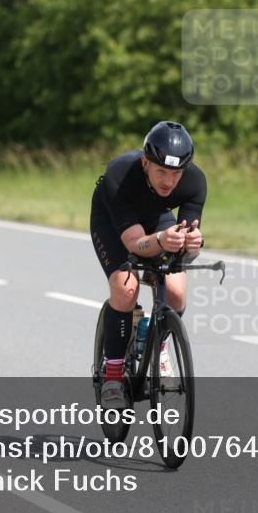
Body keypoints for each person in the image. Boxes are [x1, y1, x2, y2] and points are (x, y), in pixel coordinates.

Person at [91, 121, 206, 409]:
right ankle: (114, 374)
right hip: (114, 220)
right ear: (146, 163)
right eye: (161, 172)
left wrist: (192, 242)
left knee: (176, 290)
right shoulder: (120, 173)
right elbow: (134, 245)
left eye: (176, 173)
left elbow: (185, 237)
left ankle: (160, 349)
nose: (169, 181)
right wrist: (162, 241)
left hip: (156, 219)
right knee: (126, 288)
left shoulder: (194, 182)